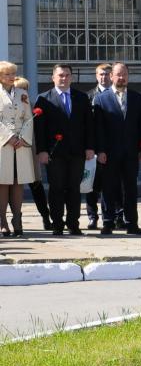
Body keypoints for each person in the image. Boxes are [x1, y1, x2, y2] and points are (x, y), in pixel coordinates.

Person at [34, 64, 96, 236]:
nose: (64, 78)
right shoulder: (44, 98)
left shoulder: (81, 97)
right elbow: (40, 129)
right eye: (60, 75)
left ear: (72, 78)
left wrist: (90, 147)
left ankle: (73, 224)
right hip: (54, 153)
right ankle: (57, 224)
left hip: (77, 151)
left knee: (74, 189)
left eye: (67, 75)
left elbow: (89, 125)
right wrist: (42, 151)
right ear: (53, 77)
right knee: (56, 188)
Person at [92, 62, 141, 235]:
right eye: (118, 74)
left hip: (131, 152)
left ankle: (131, 222)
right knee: (108, 188)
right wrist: (99, 150)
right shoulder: (101, 98)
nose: (121, 78)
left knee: (130, 188)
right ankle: (108, 222)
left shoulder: (137, 97)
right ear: (111, 76)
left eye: (124, 74)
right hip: (109, 153)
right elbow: (98, 128)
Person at [0, 61, 35, 237]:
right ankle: (3, 221)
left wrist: (22, 137)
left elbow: (29, 118)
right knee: (3, 183)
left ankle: (17, 219)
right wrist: (9, 137)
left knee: (18, 182)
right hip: (3, 145)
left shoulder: (22, 93)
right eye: (7, 74)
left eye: (13, 73)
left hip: (21, 144)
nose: (11, 77)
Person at [13, 76, 51, 230]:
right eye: (20, 89)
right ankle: (17, 218)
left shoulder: (34, 107)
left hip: (29, 149)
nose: (24, 92)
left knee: (36, 184)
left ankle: (45, 217)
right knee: (13, 185)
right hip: (11, 149)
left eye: (25, 89)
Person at [85, 63, 113, 229]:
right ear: (96, 76)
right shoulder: (88, 96)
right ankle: (92, 216)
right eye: (101, 74)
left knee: (112, 184)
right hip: (93, 147)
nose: (105, 77)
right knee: (92, 185)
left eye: (108, 74)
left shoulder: (118, 95)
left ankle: (114, 216)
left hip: (112, 146)